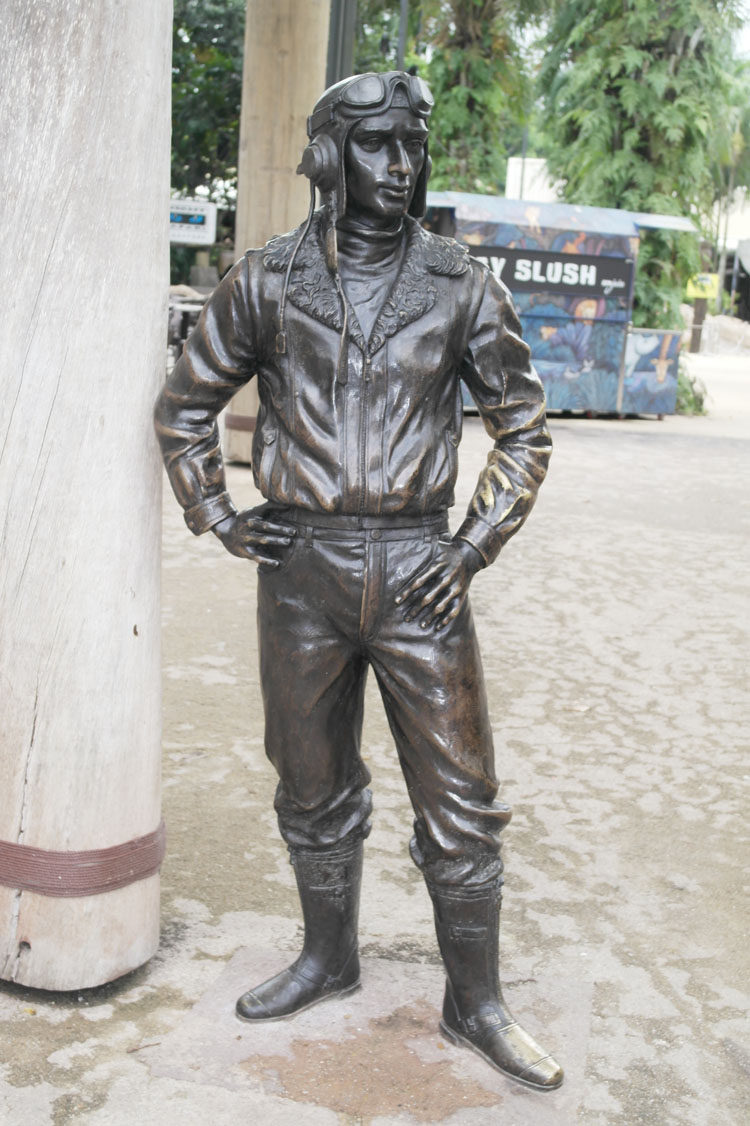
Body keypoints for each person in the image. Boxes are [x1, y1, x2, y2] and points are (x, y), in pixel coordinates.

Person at [154, 71, 562, 1091]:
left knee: (462, 798)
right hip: (303, 570)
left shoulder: (462, 284)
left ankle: (477, 1002)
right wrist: (217, 514)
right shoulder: (268, 280)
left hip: (423, 570)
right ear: (331, 156)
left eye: (412, 145)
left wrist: (471, 547)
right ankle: (328, 957)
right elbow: (185, 404)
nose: (402, 165)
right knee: (310, 781)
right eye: (379, 144)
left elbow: (523, 428)